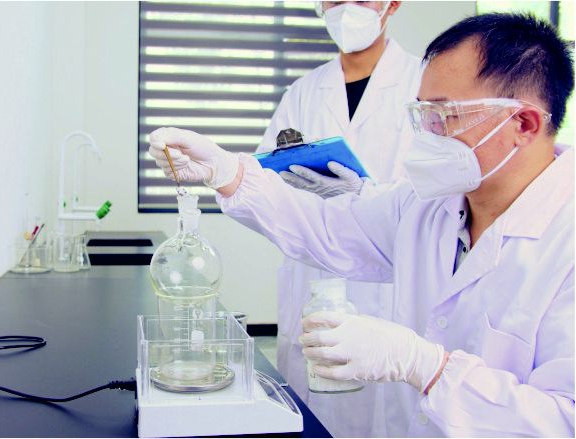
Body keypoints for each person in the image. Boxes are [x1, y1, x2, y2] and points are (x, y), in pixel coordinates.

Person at [149, 12, 574, 437]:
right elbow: (332, 230)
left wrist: (426, 367)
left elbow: (563, 419)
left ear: (523, 124)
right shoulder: (428, 206)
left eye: (444, 116)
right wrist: (227, 172)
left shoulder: (565, 238)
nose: (427, 136)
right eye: (422, 115)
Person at [255, 1, 421, 435]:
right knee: (312, 413)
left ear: (392, 4)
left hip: (386, 283)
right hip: (313, 274)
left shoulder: (423, 84)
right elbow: (266, 183)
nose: (346, 8)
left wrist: (366, 195)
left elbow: (435, 194)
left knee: (386, 407)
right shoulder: (303, 92)